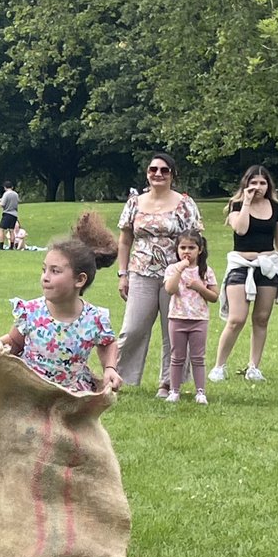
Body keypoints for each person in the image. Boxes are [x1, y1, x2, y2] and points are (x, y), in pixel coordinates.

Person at [0, 213, 122, 394]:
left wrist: (110, 368)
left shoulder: (94, 319)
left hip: (72, 399)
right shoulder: (31, 312)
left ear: (79, 280)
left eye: (55, 271)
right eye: (44, 269)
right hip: (31, 394)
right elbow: (15, 343)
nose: (45, 277)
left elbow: (107, 343)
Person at [116, 152, 202, 396]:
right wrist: (123, 274)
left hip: (175, 275)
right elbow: (124, 240)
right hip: (140, 272)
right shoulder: (135, 202)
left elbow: (196, 241)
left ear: (172, 175)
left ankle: (168, 382)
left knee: (172, 329)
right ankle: (118, 377)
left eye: (164, 170)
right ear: (147, 173)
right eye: (153, 169)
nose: (158, 174)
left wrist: (193, 272)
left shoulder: (185, 204)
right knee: (132, 328)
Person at [209, 166, 278, 383]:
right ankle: (219, 366)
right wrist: (246, 203)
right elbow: (240, 229)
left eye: (262, 183)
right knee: (236, 318)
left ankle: (254, 367)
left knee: (261, 318)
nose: (258, 187)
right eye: (253, 183)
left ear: (268, 185)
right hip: (241, 264)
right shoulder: (237, 205)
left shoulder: (275, 207)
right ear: (246, 185)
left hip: (267, 264)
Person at [164, 230, 218, 403]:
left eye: (191, 248)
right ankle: (174, 391)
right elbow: (170, 289)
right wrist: (180, 269)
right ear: (177, 249)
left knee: (198, 357)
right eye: (183, 247)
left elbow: (214, 296)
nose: (186, 251)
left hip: (198, 319)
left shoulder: (206, 271)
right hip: (177, 318)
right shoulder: (172, 269)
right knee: (177, 357)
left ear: (200, 250)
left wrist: (199, 287)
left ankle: (200, 392)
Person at [0, 181, 20, 248]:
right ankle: (11, 246)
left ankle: (1, 246)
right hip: (14, 214)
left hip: (7, 213)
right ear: (12, 187)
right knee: (11, 230)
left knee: (1, 229)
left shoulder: (6, 194)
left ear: (5, 187)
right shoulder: (16, 194)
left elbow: (3, 204)